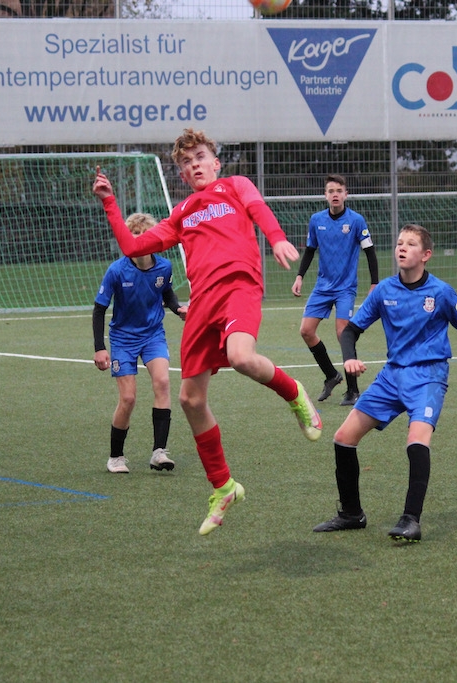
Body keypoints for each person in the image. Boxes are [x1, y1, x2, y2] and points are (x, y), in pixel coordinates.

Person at [93, 129, 322, 536]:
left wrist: (277, 238)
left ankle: (295, 394)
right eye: (186, 162)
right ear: (182, 174)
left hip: (238, 286)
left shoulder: (236, 185)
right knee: (189, 398)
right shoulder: (182, 212)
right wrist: (110, 202)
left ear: (215, 162)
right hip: (201, 303)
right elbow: (131, 246)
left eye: (200, 156)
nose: (194, 163)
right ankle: (224, 487)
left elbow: (258, 208)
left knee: (240, 356)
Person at [313, 224, 457, 543]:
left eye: (411, 244)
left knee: (416, 439)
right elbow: (350, 331)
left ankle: (411, 519)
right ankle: (351, 514)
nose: (402, 247)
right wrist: (349, 358)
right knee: (343, 437)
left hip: (428, 376)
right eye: (399, 242)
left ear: (426, 255)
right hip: (392, 377)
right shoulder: (384, 291)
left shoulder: (440, 292)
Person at [93, 212, 187, 474]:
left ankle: (159, 452)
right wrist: (100, 347)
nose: (138, 242)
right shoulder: (117, 270)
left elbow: (167, 295)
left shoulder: (164, 267)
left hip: (153, 335)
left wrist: (178, 309)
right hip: (123, 339)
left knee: (163, 383)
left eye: (144, 236)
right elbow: (100, 309)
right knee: (129, 398)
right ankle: (116, 457)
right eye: (133, 237)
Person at [292, 173, 379, 407]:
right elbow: (310, 250)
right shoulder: (316, 220)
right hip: (322, 287)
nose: (335, 195)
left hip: (345, 289)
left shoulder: (356, 221)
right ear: (325, 195)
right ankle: (332, 375)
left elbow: (370, 251)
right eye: (331, 191)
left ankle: (353, 390)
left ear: (346, 194)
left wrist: (375, 283)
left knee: (343, 333)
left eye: (339, 191)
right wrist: (299, 276)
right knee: (306, 331)